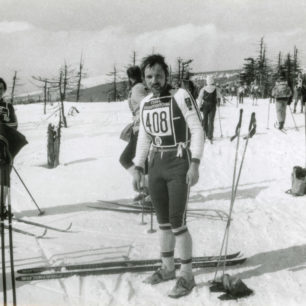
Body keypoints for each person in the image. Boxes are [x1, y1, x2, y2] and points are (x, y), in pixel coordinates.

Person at [132, 54, 204, 298]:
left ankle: (186, 275)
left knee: (177, 221)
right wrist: (138, 167)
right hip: (156, 164)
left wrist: (194, 164)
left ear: (167, 75)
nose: (154, 80)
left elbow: (197, 130)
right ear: (144, 79)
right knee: (162, 221)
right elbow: (143, 138)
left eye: (159, 75)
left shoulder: (181, 96)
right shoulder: (145, 103)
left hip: (178, 162)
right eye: (150, 76)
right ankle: (167, 268)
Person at [119, 66, 148, 201]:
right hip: (143, 128)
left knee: (125, 158)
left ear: (130, 78)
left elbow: (146, 105)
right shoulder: (143, 86)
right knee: (145, 160)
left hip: (141, 128)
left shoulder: (137, 89)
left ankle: (146, 189)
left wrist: (138, 118)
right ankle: (148, 190)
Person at [0, 78, 18, 201]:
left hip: (4, 147)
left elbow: (15, 125)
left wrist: (5, 122)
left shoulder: (8, 107)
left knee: (4, 177)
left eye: (0, 88)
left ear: (4, 90)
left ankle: (2, 207)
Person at [197, 75, 222, 143]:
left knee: (205, 120)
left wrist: (199, 106)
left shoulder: (203, 89)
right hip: (213, 106)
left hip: (205, 105)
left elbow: (200, 98)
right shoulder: (215, 89)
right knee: (211, 121)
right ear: (212, 81)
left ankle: (205, 134)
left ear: (207, 81)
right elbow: (219, 96)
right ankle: (210, 135)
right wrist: (219, 103)